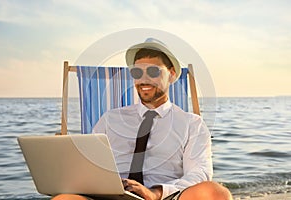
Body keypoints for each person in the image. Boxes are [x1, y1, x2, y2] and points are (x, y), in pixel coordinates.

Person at [52, 38, 232, 200]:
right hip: (111, 197)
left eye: (153, 71)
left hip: (166, 197)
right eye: (137, 73)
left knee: (216, 194)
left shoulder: (191, 124)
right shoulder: (110, 119)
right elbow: (89, 165)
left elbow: (199, 173)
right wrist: (66, 160)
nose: (144, 79)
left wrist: (156, 192)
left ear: (172, 75)